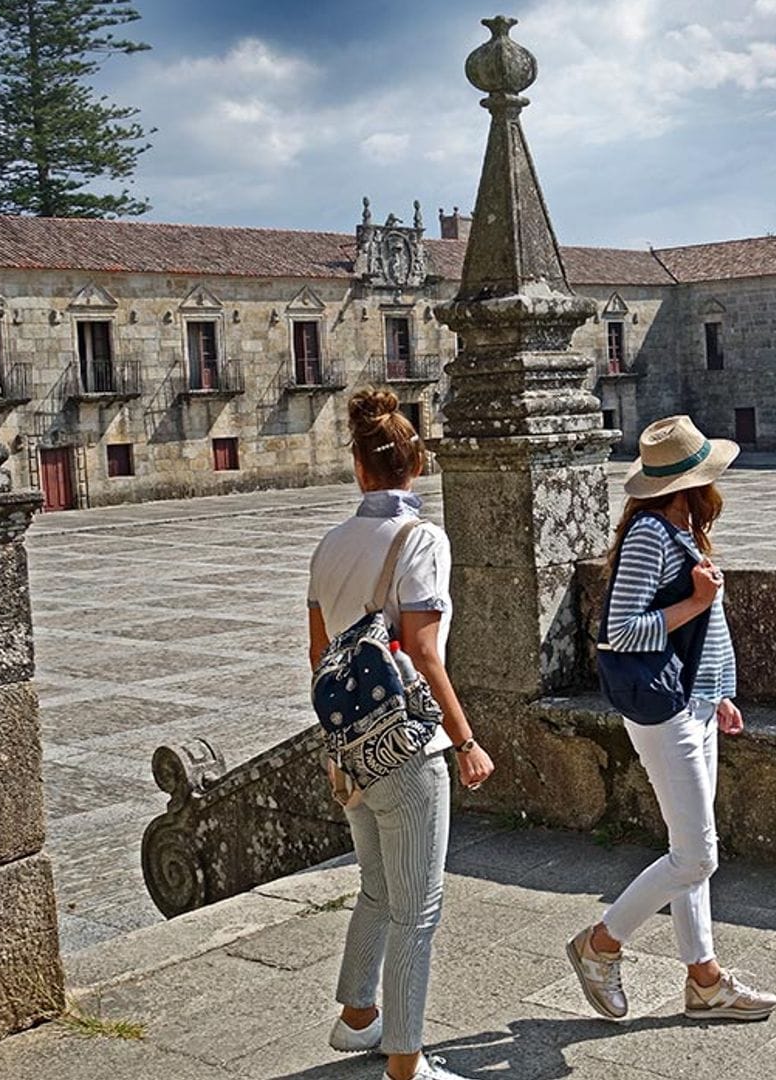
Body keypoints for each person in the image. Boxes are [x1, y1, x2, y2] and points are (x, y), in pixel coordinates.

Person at [566, 415, 776, 1023]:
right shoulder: (652, 537)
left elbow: (702, 633)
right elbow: (621, 632)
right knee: (696, 856)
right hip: (665, 712)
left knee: (690, 846)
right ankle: (600, 945)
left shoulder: (679, 531)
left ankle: (705, 981)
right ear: (692, 485)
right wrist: (695, 601)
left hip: (695, 703)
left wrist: (719, 692)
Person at [308, 389, 494, 1080]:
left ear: (358, 468)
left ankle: (358, 1015)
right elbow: (422, 651)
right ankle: (407, 1064)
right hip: (409, 751)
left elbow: (318, 655)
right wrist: (466, 737)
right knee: (418, 909)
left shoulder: (330, 545)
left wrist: (343, 742)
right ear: (415, 468)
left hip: (349, 747)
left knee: (378, 890)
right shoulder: (422, 540)